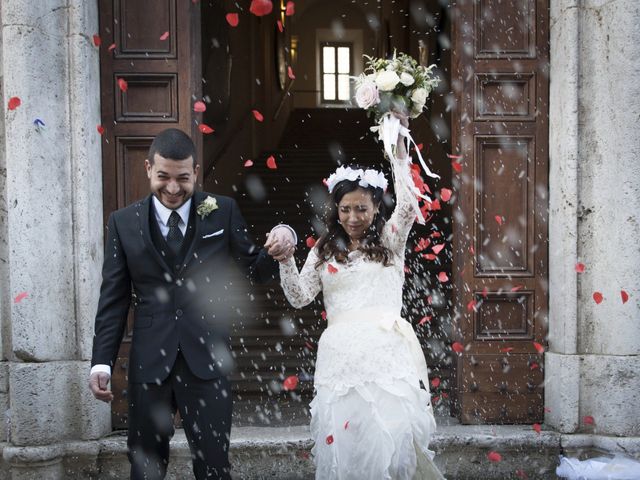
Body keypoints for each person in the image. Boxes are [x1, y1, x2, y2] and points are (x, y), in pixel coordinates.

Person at [88, 128, 296, 480]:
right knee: (145, 467)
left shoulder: (222, 211)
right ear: (148, 169)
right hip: (150, 363)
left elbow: (255, 270)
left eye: (183, 178)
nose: (173, 188)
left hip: (208, 360)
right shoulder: (123, 223)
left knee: (214, 466)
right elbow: (114, 298)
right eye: (163, 177)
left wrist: (284, 239)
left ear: (196, 173)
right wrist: (101, 363)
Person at [272, 116, 445, 479]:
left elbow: (410, 207)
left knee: (392, 438)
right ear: (336, 209)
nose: (353, 217)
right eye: (346, 209)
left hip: (385, 355)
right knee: (348, 443)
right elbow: (300, 297)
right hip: (341, 358)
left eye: (362, 208)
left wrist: (397, 149)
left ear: (375, 207)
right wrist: (286, 260)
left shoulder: (389, 241)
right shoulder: (323, 249)